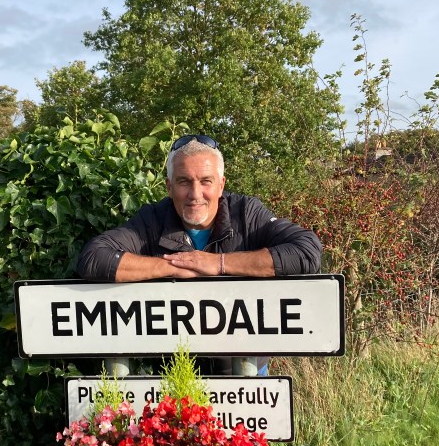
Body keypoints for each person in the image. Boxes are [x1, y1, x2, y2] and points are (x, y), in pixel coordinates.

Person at [76, 134, 322, 374]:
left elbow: (306, 251)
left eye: (206, 181)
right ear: (169, 187)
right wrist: (174, 267)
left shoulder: (247, 213)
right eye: (184, 182)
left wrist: (219, 264)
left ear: (221, 184)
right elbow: (94, 257)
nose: (195, 194)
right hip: (176, 376)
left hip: (247, 372)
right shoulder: (151, 219)